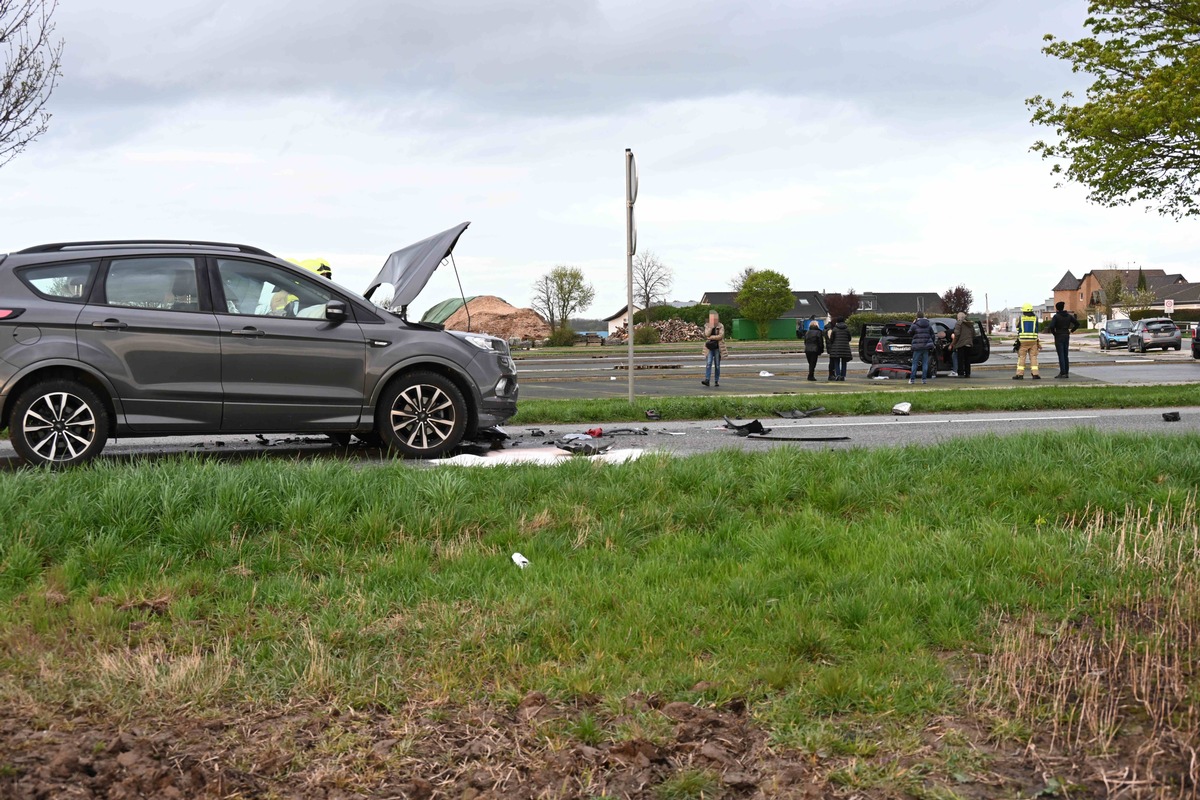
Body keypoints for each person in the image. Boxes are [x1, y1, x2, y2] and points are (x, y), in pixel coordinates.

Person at [1046, 301, 1079, 378]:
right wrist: (1072, 330)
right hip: (1066, 335)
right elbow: (1077, 324)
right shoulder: (1069, 316)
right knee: (1065, 354)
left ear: (1057, 308)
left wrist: (1055, 333)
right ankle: (1066, 372)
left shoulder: (1056, 316)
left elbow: (1051, 326)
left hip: (1059, 335)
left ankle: (1062, 372)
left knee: (1060, 354)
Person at [1013, 303, 1042, 380]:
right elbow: (1036, 330)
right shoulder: (1035, 318)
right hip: (1033, 341)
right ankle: (1035, 374)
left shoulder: (1020, 318)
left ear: (1024, 311)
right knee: (1033, 357)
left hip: (1023, 341)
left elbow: (1017, 328)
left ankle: (1020, 375)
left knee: (1022, 357)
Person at [701, 310, 727, 387]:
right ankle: (707, 380)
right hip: (709, 347)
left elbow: (721, 336)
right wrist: (711, 327)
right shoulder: (707, 325)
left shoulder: (720, 325)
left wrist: (711, 337)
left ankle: (716, 380)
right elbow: (706, 334)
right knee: (708, 363)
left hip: (717, 347)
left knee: (717, 365)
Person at [908, 311, 935, 384]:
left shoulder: (915, 325)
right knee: (925, 363)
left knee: (915, 363)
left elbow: (909, 332)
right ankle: (924, 380)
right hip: (925, 347)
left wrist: (913, 323)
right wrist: (931, 343)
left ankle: (912, 379)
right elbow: (932, 335)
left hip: (917, 347)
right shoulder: (928, 324)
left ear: (917, 316)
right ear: (923, 316)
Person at [826, 316, 852, 381]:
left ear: (837, 321)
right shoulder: (847, 329)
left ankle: (838, 375)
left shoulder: (835, 329)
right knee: (844, 362)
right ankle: (843, 375)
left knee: (836, 362)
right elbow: (849, 338)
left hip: (836, 348)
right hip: (845, 348)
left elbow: (832, 339)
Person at [951, 312, 974, 378]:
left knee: (960, 359)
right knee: (967, 359)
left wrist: (954, 343)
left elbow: (957, 334)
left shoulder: (959, 324)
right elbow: (973, 333)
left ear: (958, 317)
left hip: (961, 343)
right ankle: (968, 373)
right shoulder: (970, 324)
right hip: (969, 343)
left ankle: (960, 373)